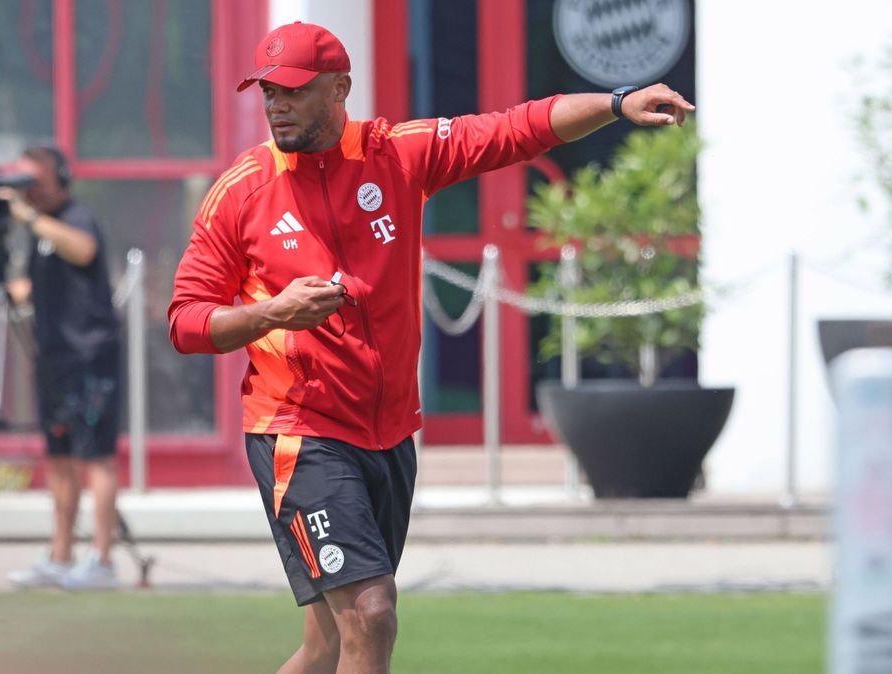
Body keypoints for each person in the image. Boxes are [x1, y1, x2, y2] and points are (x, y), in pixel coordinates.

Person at [168, 21, 694, 673]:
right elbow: (186, 322)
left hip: (388, 437)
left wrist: (617, 103)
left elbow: (518, 128)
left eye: (294, 91)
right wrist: (274, 312)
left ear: (340, 90)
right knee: (372, 612)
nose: (277, 104)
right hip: (297, 432)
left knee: (327, 643)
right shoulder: (240, 192)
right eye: (268, 90)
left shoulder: (396, 154)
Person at [0, 144, 124, 591]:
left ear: (58, 177)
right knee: (60, 458)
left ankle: (103, 559)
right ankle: (60, 554)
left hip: (90, 356)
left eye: (34, 180)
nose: (27, 191)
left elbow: (84, 251)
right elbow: (34, 287)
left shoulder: (75, 217)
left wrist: (27, 216)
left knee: (97, 458)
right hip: (52, 359)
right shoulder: (39, 233)